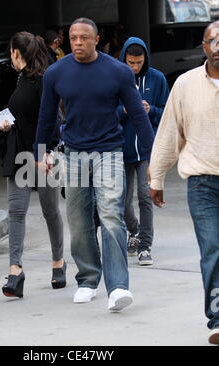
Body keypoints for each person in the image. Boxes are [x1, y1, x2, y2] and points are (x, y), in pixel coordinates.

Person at [34, 18, 154, 311]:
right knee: (78, 221)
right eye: (73, 37)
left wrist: (152, 157)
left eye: (83, 37)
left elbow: (138, 115)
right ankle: (88, 280)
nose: (77, 42)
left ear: (96, 39)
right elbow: (46, 117)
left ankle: (118, 287)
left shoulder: (118, 72)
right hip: (74, 154)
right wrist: (40, 153)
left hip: (110, 152)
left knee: (111, 217)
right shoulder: (55, 73)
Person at [149, 21, 219, 345]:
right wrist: (157, 175)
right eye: (212, 40)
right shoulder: (186, 84)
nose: (218, 45)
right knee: (212, 250)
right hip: (202, 183)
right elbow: (169, 133)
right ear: (203, 47)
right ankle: (218, 320)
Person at [0, 31, 65, 298]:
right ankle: (15, 270)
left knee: (50, 211)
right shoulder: (21, 78)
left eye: (11, 50)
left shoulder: (44, 80)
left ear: (16, 53)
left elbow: (54, 118)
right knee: (16, 212)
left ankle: (58, 261)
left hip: (43, 153)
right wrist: (9, 125)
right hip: (20, 151)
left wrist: (49, 151)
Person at [117, 37, 169, 265]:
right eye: (130, 62)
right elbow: (106, 109)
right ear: (124, 59)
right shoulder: (115, 77)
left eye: (138, 63)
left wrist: (151, 109)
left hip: (148, 149)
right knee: (122, 199)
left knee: (145, 195)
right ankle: (134, 231)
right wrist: (124, 110)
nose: (134, 67)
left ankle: (145, 246)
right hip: (121, 146)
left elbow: (168, 111)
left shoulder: (157, 78)